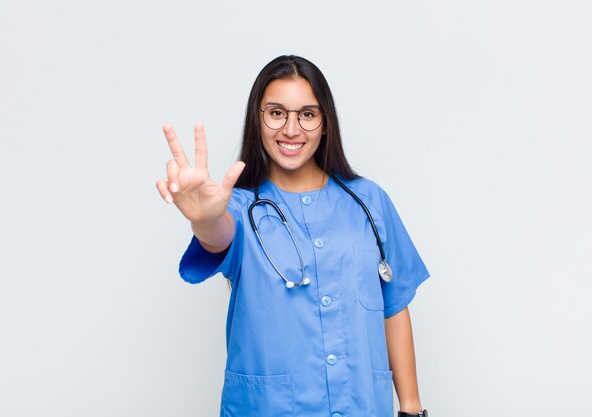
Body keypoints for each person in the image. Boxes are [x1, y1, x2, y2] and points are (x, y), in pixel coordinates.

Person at [156, 55, 430, 417]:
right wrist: (205, 219)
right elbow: (217, 235)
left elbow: (394, 306)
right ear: (258, 120)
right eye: (276, 113)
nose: (291, 129)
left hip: (362, 405)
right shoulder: (238, 208)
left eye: (307, 114)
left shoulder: (369, 201)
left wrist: (411, 408)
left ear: (325, 123)